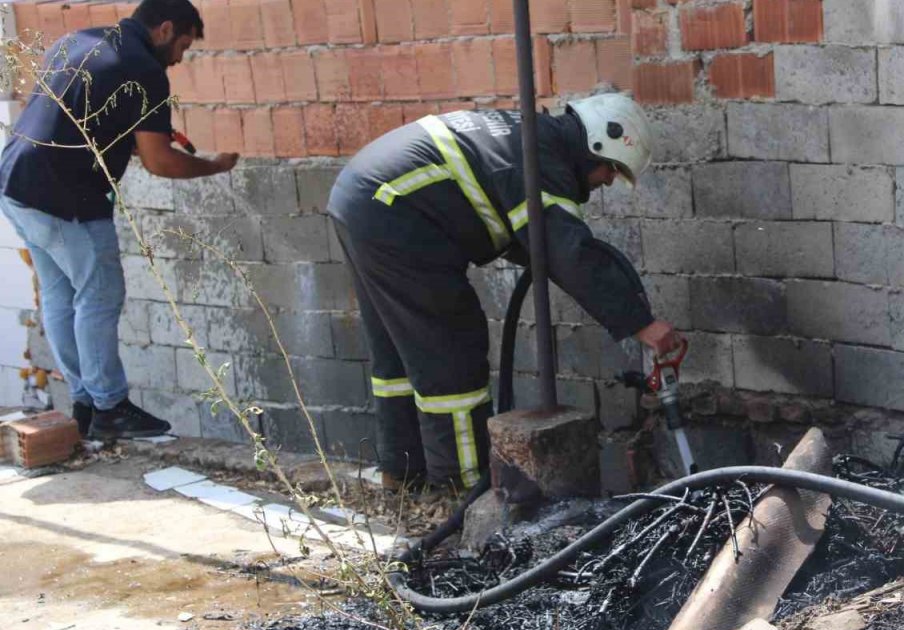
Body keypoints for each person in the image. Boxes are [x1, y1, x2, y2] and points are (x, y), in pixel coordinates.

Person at [327, 93, 682, 492]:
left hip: (365, 198)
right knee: (450, 351)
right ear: (596, 145)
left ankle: (402, 476)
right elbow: (569, 253)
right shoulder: (539, 162)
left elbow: (535, 237)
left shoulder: (532, 137)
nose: (608, 180)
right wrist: (641, 323)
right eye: (611, 169)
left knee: (399, 352)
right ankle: (459, 492)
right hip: (393, 210)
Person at [0, 0, 240, 439]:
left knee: (60, 294)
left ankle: (85, 404)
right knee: (99, 295)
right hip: (62, 196)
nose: (181, 58)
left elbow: (69, 117)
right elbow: (162, 162)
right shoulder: (145, 70)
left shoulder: (77, 41)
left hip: (15, 182)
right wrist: (215, 165)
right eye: (183, 45)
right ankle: (110, 408)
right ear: (165, 29)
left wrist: (120, 136)